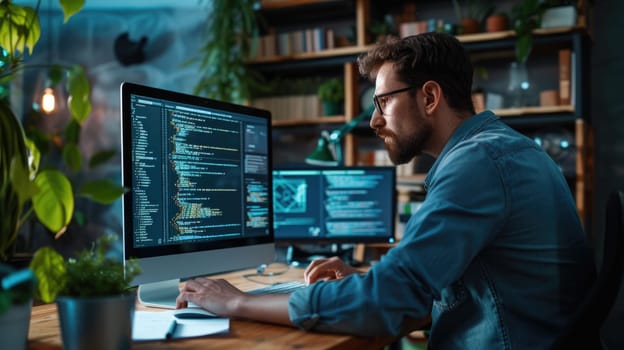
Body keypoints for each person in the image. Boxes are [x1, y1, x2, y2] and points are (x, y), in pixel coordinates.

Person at [176, 32, 596, 348]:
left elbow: (387, 301)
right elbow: (422, 289)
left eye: (383, 103)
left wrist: (235, 303)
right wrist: (365, 279)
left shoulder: (478, 164)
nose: (375, 122)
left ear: (429, 96)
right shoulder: (501, 151)